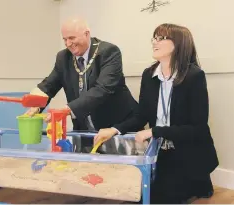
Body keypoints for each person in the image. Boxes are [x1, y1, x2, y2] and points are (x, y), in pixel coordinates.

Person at [93, 23, 219, 203]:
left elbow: (197, 128)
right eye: (154, 37)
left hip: (186, 153)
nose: (154, 42)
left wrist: (154, 131)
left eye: (161, 38)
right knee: (133, 193)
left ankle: (199, 183)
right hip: (160, 152)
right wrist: (114, 130)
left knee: (159, 198)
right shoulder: (149, 74)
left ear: (179, 43)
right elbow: (141, 116)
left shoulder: (194, 76)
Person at [25, 17, 143, 152]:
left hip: (118, 129)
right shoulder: (63, 57)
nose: (68, 44)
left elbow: (102, 89)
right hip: (86, 133)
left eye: (72, 38)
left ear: (86, 34)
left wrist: (67, 109)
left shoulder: (109, 52)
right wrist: (36, 105)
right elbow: (49, 84)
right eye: (64, 39)